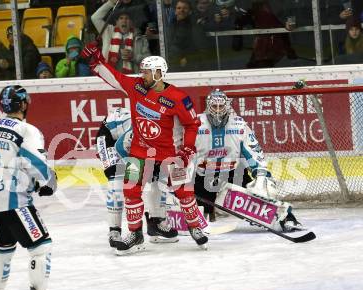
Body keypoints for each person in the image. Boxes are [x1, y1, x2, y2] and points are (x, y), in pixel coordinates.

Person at [81, 44, 208, 254]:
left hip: (169, 156)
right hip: (138, 153)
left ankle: (195, 228)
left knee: (184, 192)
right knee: (131, 191)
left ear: (159, 73)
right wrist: (96, 61)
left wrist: (187, 149)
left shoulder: (178, 98)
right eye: (142, 71)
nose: (143, 75)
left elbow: (192, 124)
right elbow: (114, 77)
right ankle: (135, 234)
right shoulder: (137, 87)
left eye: (147, 72)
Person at [0, 85, 66, 290]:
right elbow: (37, 164)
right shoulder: (26, 130)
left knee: (1, 250)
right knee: (41, 246)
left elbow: (7, 162)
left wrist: (28, 183)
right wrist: (49, 182)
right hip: (14, 201)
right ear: (25, 104)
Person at [96, 107, 179, 248]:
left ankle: (155, 223)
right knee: (117, 180)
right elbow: (121, 147)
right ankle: (114, 231)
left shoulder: (169, 132)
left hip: (130, 143)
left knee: (158, 180)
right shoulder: (145, 126)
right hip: (111, 139)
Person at [194, 89, 277, 220]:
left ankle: (282, 217)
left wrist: (260, 172)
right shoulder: (195, 124)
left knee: (258, 203)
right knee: (203, 216)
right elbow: (183, 147)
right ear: (208, 106)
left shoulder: (239, 124)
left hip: (234, 174)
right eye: (214, 106)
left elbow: (252, 151)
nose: (217, 110)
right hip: (203, 175)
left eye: (221, 106)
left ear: (227, 106)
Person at [91, 0, 150, 74]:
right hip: (110, 78)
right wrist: (111, 3)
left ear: (131, 22)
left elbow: (148, 61)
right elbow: (95, 18)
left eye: (127, 18)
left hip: (132, 79)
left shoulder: (139, 38)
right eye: (121, 18)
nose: (124, 21)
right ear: (116, 22)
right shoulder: (108, 31)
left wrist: (133, 56)